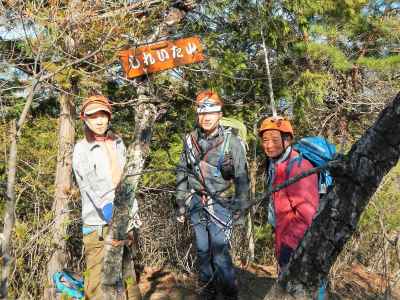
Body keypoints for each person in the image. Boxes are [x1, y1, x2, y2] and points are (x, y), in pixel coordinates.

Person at [176, 90, 249, 300]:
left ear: (219, 114)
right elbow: (183, 170)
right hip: (196, 201)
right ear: (197, 114)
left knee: (219, 253)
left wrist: (241, 211)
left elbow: (242, 179)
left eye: (212, 112)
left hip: (221, 204)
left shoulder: (232, 142)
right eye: (202, 112)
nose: (206, 117)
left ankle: (228, 294)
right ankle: (208, 290)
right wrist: (180, 201)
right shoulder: (190, 141)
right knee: (202, 249)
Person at [72, 95, 142, 299]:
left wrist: (132, 210)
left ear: (109, 117)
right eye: (93, 116)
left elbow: (128, 177)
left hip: (124, 218)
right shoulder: (81, 149)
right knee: (96, 279)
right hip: (97, 223)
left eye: (103, 115)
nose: (99, 121)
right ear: (85, 119)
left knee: (127, 271)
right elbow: (88, 183)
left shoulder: (117, 142)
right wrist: (107, 207)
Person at [258, 116, 319, 271]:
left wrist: (289, 246)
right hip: (285, 238)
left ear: (287, 140)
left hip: (297, 245)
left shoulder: (299, 168)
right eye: (265, 140)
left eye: (274, 140)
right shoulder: (276, 165)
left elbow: (308, 215)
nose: (269, 145)